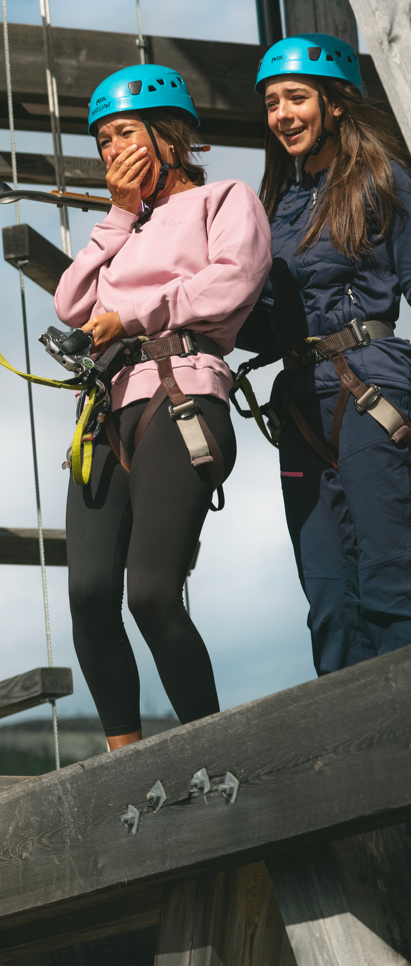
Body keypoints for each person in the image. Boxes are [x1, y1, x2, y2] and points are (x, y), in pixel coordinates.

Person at [55, 65, 272, 751]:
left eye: (124, 135)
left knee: (151, 592)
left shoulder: (226, 201)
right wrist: (118, 216)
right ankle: (123, 759)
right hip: (108, 411)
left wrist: (136, 313)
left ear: (169, 136)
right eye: (103, 143)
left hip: (182, 393)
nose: (112, 152)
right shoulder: (125, 228)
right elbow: (71, 304)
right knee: (90, 594)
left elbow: (230, 283)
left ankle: (211, 753)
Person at [244, 34, 411, 674]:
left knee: (391, 582)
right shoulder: (277, 207)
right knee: (329, 601)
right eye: (270, 102)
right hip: (301, 403)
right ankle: (357, 765)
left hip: (370, 385)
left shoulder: (382, 179)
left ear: (334, 103)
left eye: (295, 98)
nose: (281, 113)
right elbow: (262, 320)